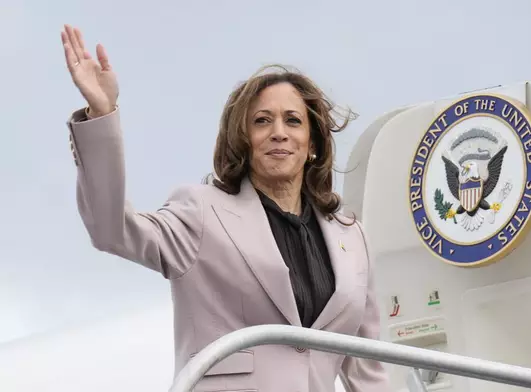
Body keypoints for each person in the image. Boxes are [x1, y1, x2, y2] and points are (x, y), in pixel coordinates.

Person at [61, 24, 389, 392]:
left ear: (312, 143)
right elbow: (111, 230)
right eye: (262, 121)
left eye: (293, 120)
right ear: (243, 140)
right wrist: (101, 115)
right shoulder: (201, 212)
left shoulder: (352, 237)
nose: (278, 132)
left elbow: (368, 371)